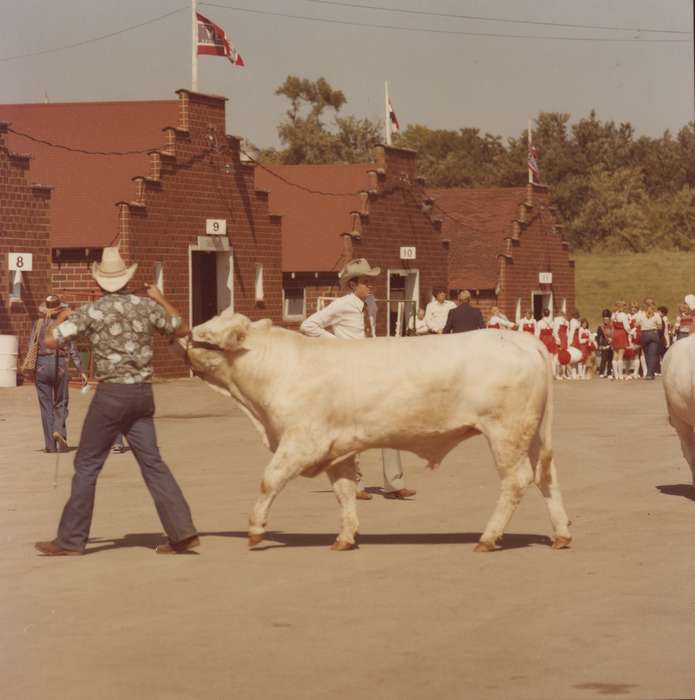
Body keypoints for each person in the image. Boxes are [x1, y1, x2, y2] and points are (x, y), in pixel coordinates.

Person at [34, 246, 198, 556]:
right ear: (127, 280)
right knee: (152, 462)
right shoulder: (145, 306)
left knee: (87, 464)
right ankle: (182, 531)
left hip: (111, 396)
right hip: (142, 394)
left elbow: (51, 340)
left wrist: (61, 316)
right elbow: (182, 328)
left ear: (99, 283)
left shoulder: (94, 311)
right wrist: (160, 297)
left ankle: (71, 539)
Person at [300, 258, 416, 501]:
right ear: (352, 284)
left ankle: (393, 484)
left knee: (389, 423)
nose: (370, 285)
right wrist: (339, 345)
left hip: (372, 367)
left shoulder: (371, 303)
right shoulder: (340, 305)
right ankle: (354, 484)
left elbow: (370, 331)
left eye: (371, 281)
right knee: (352, 429)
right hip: (349, 371)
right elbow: (308, 325)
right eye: (365, 281)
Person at [31, 295, 88, 453]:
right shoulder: (64, 325)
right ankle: (59, 430)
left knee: (46, 406)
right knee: (61, 402)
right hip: (60, 367)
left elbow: (32, 348)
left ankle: (50, 446)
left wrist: (32, 370)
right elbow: (73, 350)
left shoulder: (38, 324)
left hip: (41, 366)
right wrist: (81, 371)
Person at [635, 302, 662, 380]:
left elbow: (636, 325)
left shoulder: (640, 315)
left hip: (644, 334)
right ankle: (651, 373)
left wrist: (643, 323)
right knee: (651, 354)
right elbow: (660, 327)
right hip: (653, 333)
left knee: (647, 354)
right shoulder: (656, 315)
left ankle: (649, 373)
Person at [610, 301, 632, 380]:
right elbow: (626, 327)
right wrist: (631, 332)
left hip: (615, 333)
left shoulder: (613, 315)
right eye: (624, 306)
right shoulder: (623, 315)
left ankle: (616, 375)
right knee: (620, 355)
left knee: (615, 355)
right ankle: (620, 374)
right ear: (621, 307)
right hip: (621, 334)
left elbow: (612, 325)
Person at [596, 311, 614, 378]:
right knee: (603, 359)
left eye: (607, 319)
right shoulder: (600, 327)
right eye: (604, 319)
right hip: (604, 344)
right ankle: (601, 372)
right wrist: (599, 345)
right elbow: (598, 337)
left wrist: (612, 341)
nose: (605, 321)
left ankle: (609, 372)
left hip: (611, 344)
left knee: (610, 359)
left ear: (609, 319)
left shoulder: (612, 326)